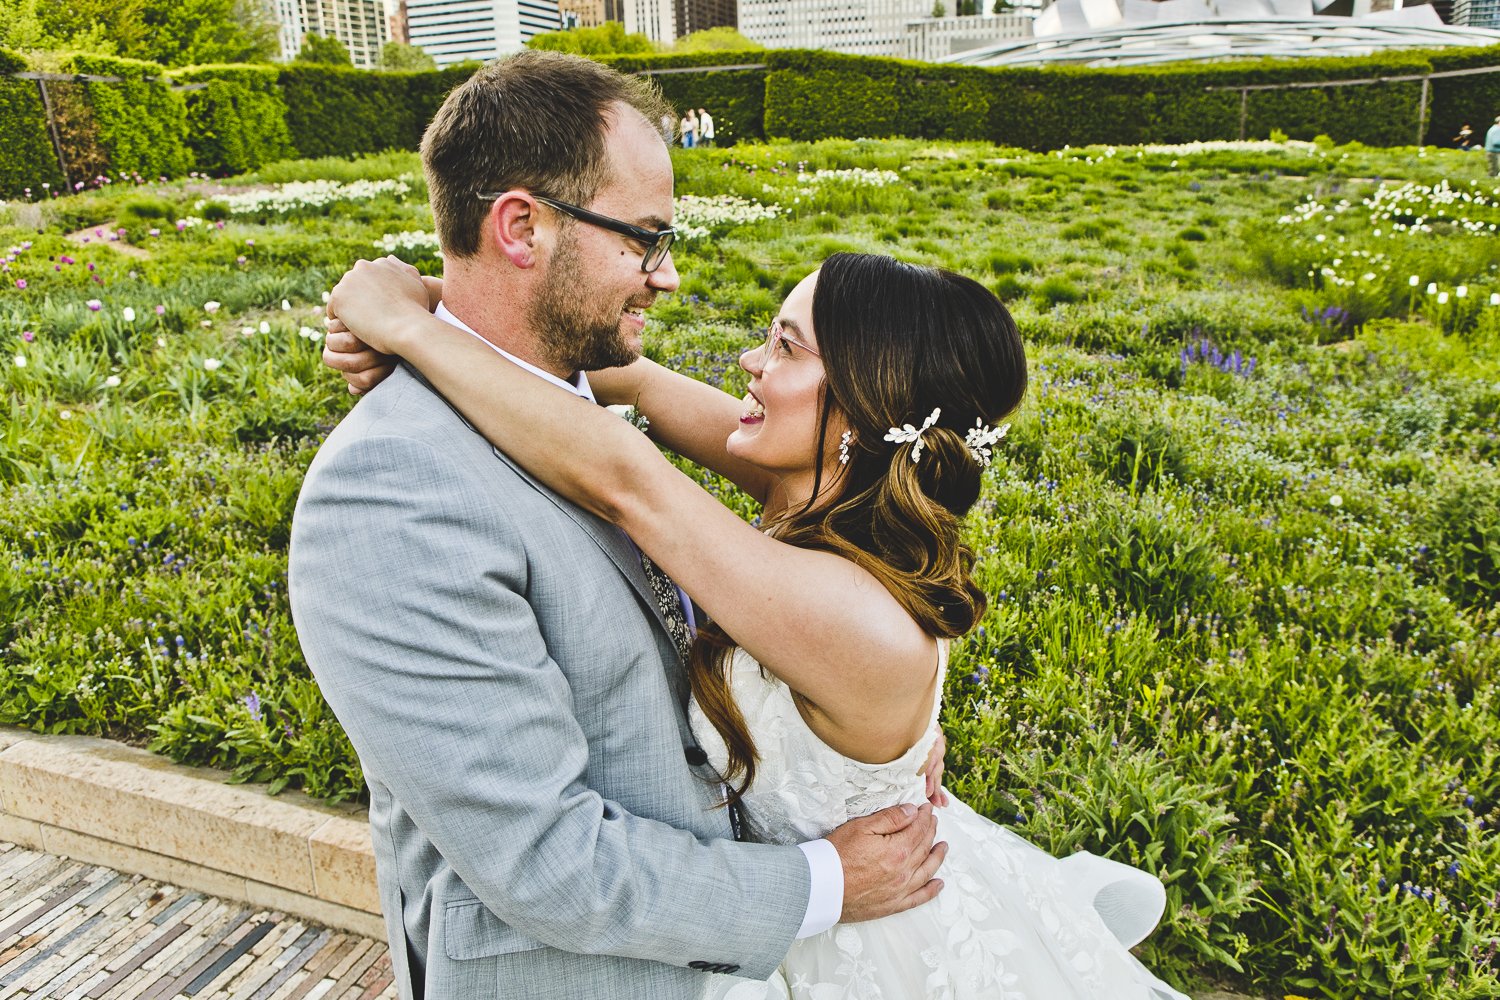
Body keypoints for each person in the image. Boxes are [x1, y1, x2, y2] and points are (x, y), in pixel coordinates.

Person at [323, 248, 1193, 999]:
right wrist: (439, 303)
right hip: (789, 919)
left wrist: (407, 331)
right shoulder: (809, 494)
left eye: (784, 345)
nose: (747, 360)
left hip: (870, 946)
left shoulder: (854, 616)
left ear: (856, 407)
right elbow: (626, 380)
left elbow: (625, 474)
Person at [288, 51, 949, 1000]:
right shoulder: (392, 487)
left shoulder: (572, 413)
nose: (667, 277)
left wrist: (865, 744)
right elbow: (548, 862)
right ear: (521, 227)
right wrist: (826, 878)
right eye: (645, 238)